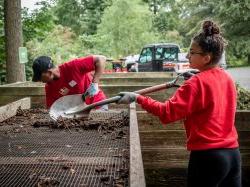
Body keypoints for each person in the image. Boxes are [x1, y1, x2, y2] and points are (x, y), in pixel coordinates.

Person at [117, 20, 241, 187]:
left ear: (206, 57)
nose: (187, 56)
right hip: (233, 155)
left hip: (208, 158)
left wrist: (137, 98)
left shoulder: (195, 84)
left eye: (192, 52)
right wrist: (198, 76)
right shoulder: (227, 78)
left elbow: (167, 113)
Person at [32, 55, 107, 109]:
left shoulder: (73, 67)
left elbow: (101, 59)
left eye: (39, 77)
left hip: (97, 104)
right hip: (79, 111)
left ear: (48, 72)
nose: (40, 80)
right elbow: (51, 108)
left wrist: (94, 83)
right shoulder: (49, 87)